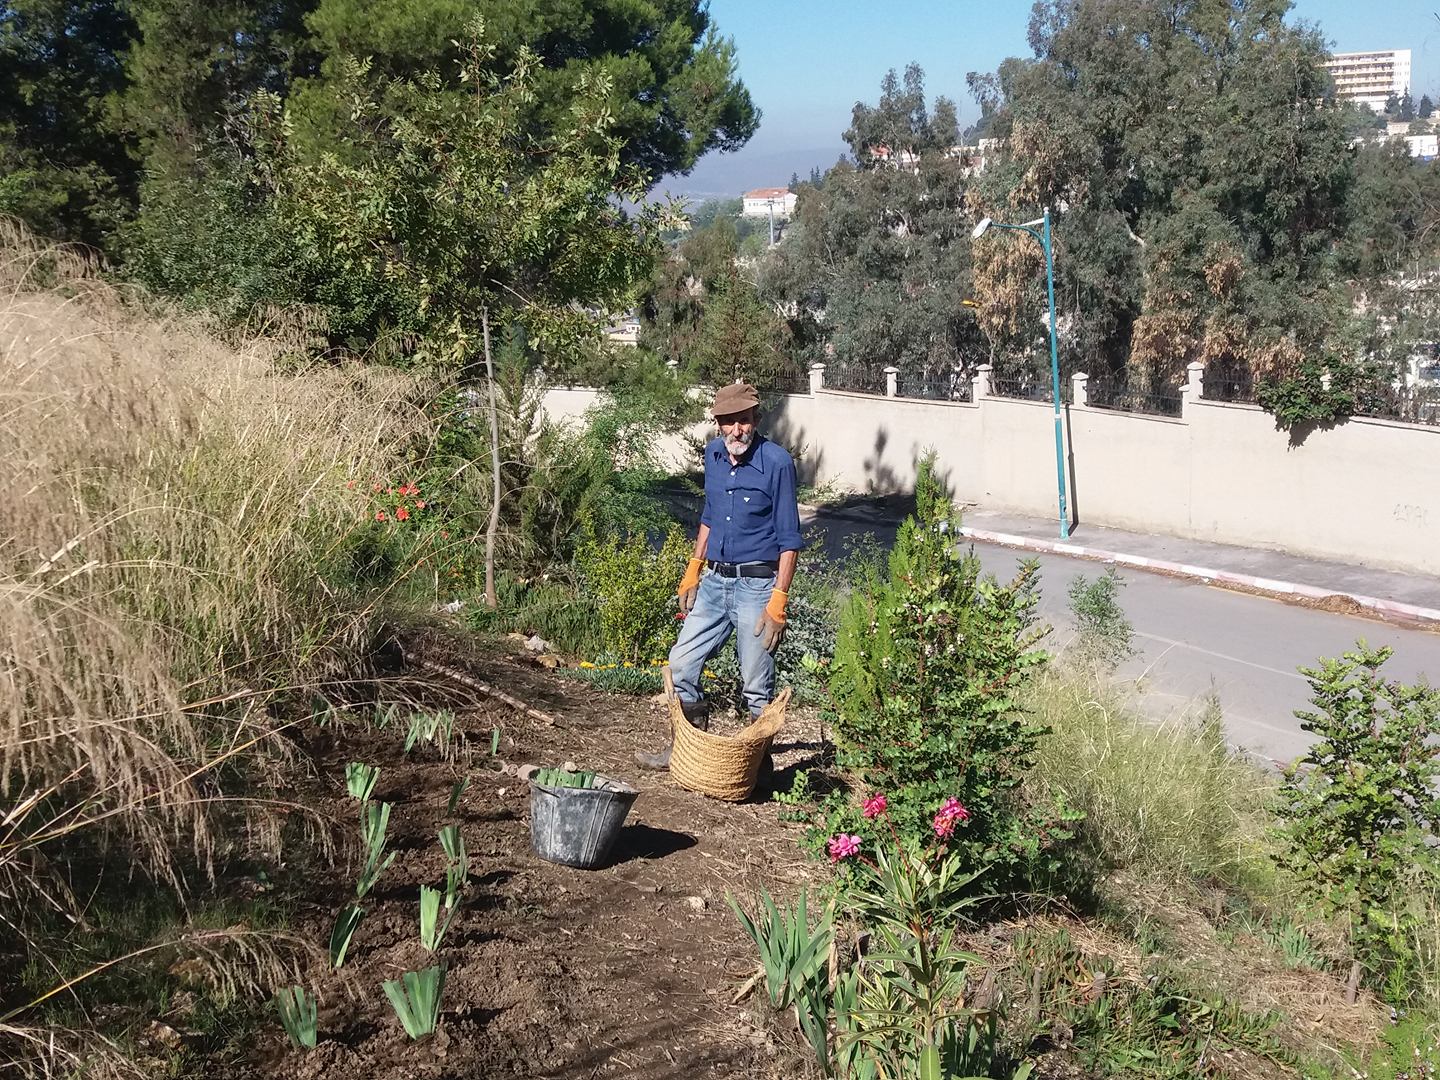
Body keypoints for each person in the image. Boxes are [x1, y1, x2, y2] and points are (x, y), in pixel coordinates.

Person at [636, 380, 803, 769]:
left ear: (755, 420)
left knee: (756, 686)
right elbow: (709, 517)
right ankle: (686, 754)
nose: (736, 430)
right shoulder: (713, 455)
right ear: (718, 424)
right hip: (714, 581)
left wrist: (779, 599)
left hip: (757, 587)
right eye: (727, 423)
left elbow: (789, 539)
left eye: (743, 421)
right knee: (680, 665)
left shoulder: (776, 463)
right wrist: (693, 570)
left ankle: (757, 773)